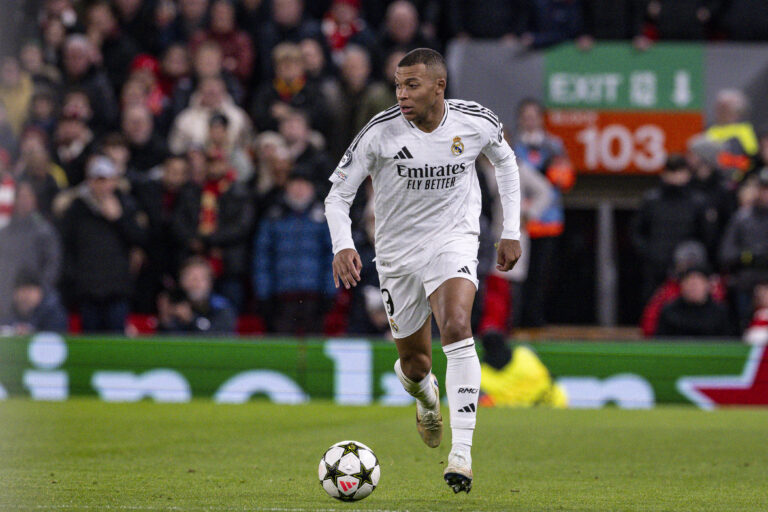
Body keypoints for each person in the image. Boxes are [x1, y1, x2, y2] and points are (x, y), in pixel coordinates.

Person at [324, 48, 521, 493]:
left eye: (411, 85)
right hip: (396, 256)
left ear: (439, 86)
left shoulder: (475, 121)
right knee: (415, 364)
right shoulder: (379, 132)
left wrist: (511, 230)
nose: (402, 94)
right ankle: (426, 397)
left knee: (456, 325)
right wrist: (343, 244)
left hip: (454, 240)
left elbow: (506, 163)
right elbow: (337, 195)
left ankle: (462, 455)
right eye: (398, 85)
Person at [655, 266, 732, 338]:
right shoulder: (669, 311)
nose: (693, 288)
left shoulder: (720, 312)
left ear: (707, 285)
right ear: (682, 286)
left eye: (697, 284)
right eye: (689, 283)